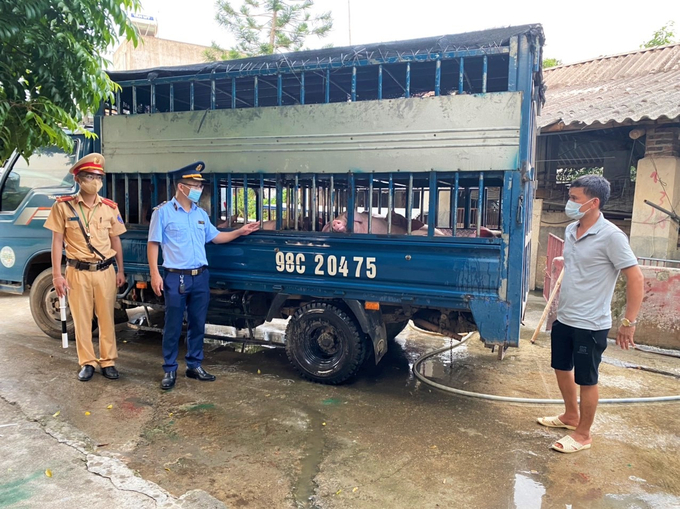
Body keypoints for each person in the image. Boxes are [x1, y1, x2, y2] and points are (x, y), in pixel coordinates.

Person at [537, 175, 644, 453]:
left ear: (594, 202)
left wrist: (628, 322)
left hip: (591, 323)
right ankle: (571, 416)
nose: (569, 204)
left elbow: (635, 278)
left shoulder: (612, 236)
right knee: (561, 368)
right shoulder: (573, 230)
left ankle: (584, 435)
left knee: (587, 378)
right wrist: (563, 260)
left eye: (575, 199)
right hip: (565, 316)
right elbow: (580, 262)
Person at [147, 162, 260, 390]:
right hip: (175, 277)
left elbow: (215, 237)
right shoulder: (163, 213)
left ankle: (194, 365)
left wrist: (239, 231)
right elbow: (153, 244)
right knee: (173, 325)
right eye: (194, 185)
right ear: (181, 187)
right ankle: (169, 369)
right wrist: (154, 274)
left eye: (200, 185)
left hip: (200, 277)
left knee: (198, 323)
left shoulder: (200, 214)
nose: (199, 188)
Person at [44, 153, 127, 381]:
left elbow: (116, 240)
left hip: (105, 271)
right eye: (90, 176)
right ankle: (87, 362)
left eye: (98, 177)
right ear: (79, 179)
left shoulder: (110, 208)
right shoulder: (63, 207)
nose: (95, 181)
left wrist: (120, 270)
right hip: (77, 272)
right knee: (81, 319)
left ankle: (108, 361)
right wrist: (57, 276)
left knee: (106, 318)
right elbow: (57, 242)